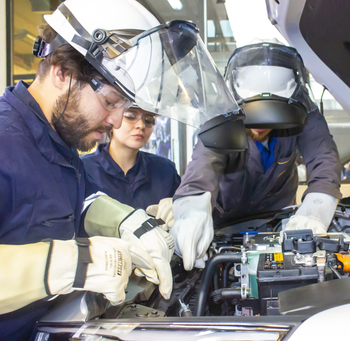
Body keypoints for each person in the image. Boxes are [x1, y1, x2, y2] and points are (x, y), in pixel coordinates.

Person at [0, 0, 242, 338]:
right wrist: (74, 262)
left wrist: (129, 222)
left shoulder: (58, 144)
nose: (116, 120)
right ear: (62, 72)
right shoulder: (6, 143)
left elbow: (78, 201)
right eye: (111, 102)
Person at [151, 41, 343, 271]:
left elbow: (324, 160)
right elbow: (204, 165)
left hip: (278, 223)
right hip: (224, 226)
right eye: (251, 115)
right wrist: (190, 210)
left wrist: (315, 212)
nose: (260, 126)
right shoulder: (223, 117)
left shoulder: (304, 114)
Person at [82, 105, 181, 210]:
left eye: (148, 120)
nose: (141, 125)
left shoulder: (165, 171)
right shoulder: (84, 170)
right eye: (130, 116)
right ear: (111, 121)